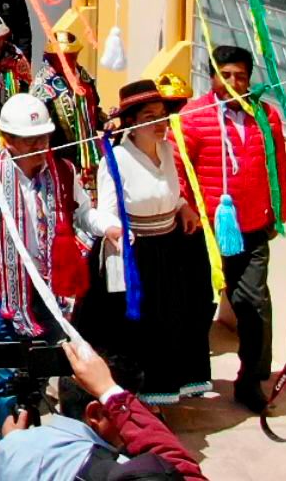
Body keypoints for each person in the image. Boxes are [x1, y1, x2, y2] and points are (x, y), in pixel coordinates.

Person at [0, 93, 101, 427]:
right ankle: (10, 446)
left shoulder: (63, 171)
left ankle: (33, 435)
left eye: (43, 137)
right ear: (9, 140)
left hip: (50, 292)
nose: (38, 145)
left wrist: (110, 227)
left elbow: (85, 214)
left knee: (42, 369)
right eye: (29, 139)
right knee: (7, 376)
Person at [78, 79, 212, 406]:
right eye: (150, 116)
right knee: (137, 333)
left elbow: (169, 194)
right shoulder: (116, 159)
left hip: (168, 252)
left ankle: (161, 397)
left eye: (162, 115)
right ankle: (136, 402)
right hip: (134, 256)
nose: (160, 124)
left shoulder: (166, 151)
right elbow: (106, 211)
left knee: (170, 326)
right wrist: (115, 231)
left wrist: (183, 209)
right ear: (132, 123)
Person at [174, 44, 286, 413]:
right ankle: (189, 379)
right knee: (196, 308)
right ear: (213, 77)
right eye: (227, 75)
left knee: (253, 304)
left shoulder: (265, 115)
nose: (235, 82)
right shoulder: (193, 116)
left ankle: (252, 380)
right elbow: (179, 169)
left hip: (253, 226)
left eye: (241, 75)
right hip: (205, 231)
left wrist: (278, 212)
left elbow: (277, 164)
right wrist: (187, 211)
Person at [0, 341, 205, 480]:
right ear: (97, 414)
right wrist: (110, 391)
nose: (149, 411)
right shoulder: (124, 472)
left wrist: (15, 443)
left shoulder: (11, 444)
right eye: (136, 405)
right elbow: (183, 472)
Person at [32, 31, 103, 168]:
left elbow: (92, 111)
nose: (69, 62)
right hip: (58, 158)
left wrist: (105, 121)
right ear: (52, 58)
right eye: (63, 57)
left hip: (89, 156)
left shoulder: (84, 79)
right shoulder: (43, 86)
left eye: (72, 56)